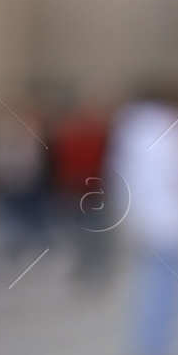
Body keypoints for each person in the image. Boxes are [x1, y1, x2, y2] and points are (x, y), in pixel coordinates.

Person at [112, 86, 178, 355]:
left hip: (146, 221)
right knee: (167, 288)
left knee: (151, 285)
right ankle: (159, 349)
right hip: (176, 221)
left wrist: (128, 219)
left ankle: (150, 348)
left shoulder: (131, 132)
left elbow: (121, 180)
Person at [50, 98, 113, 283]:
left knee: (95, 234)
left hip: (93, 191)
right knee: (79, 234)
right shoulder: (71, 136)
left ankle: (95, 268)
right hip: (75, 191)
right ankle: (84, 268)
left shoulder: (99, 136)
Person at [0, 105, 51, 261]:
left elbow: (33, 159)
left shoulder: (29, 134)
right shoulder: (2, 135)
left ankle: (36, 255)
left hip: (28, 185)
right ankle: (13, 254)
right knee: (11, 223)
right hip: (10, 185)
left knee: (34, 224)